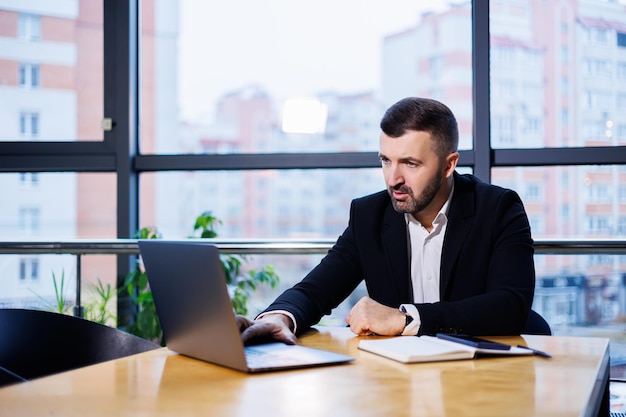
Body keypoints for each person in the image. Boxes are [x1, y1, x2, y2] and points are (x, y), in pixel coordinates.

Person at [239, 97, 535, 345]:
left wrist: (407, 318)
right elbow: (315, 290)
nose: (393, 179)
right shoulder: (369, 216)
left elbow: (511, 305)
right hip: (398, 382)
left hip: (481, 376)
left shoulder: (498, 208)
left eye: (410, 163)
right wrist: (280, 316)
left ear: (449, 165)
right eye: (385, 160)